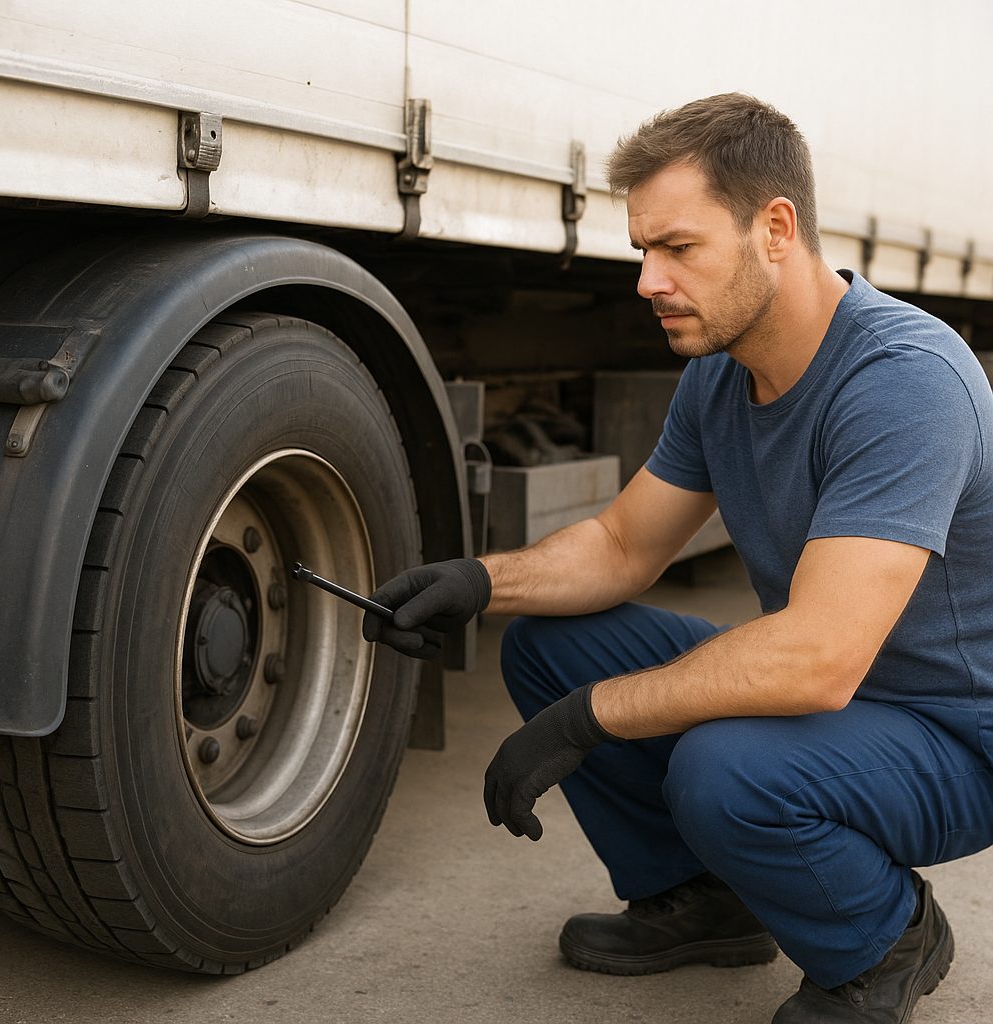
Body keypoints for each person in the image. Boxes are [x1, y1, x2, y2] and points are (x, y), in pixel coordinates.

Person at [362, 93, 993, 1023]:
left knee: (723, 769)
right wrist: (480, 582)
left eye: (678, 248)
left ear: (775, 228)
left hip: (953, 734)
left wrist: (592, 720)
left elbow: (819, 657)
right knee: (551, 644)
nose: (648, 280)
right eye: (641, 251)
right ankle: (709, 900)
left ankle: (885, 938)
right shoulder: (720, 374)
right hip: (844, 693)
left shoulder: (904, 382)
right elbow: (623, 545)